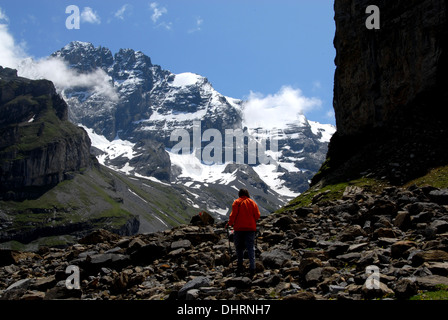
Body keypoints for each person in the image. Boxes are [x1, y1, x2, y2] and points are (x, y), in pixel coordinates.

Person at [225, 188, 260, 276]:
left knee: (239, 247)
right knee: (250, 248)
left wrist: (229, 224)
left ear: (239, 194)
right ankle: (252, 268)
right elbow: (257, 216)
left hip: (239, 228)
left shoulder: (236, 202)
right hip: (250, 229)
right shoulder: (252, 202)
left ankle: (240, 266)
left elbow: (233, 215)